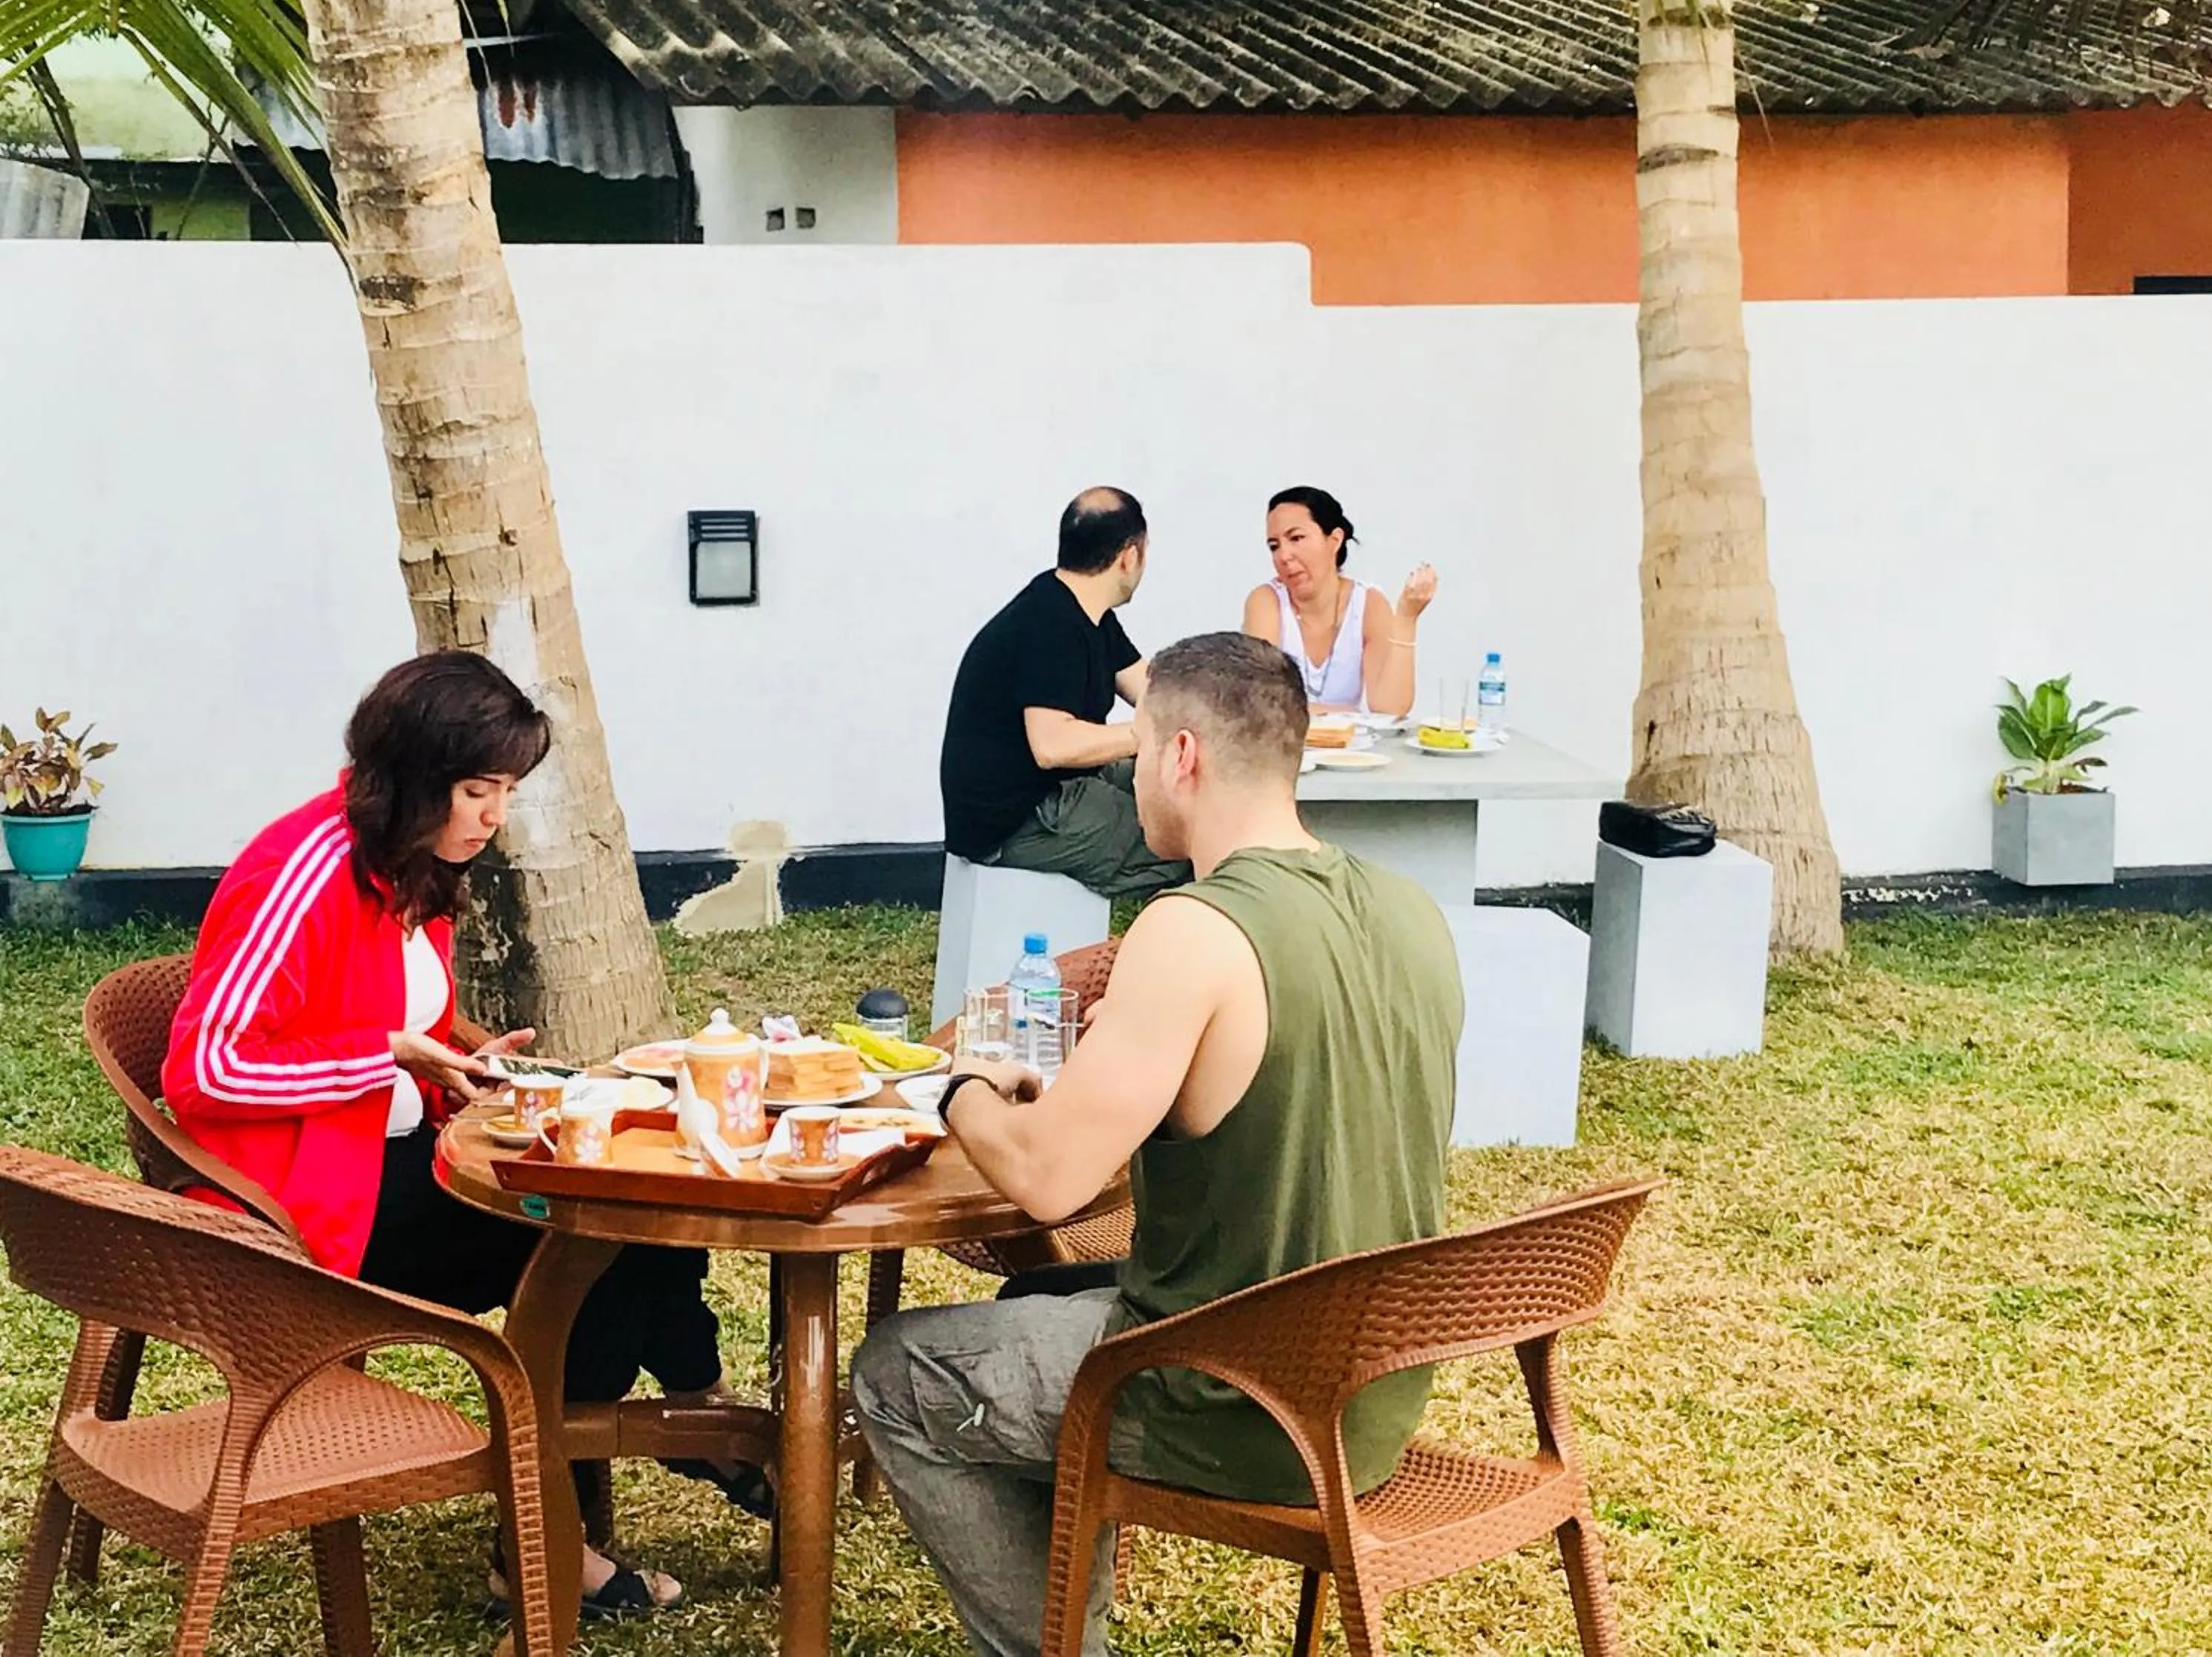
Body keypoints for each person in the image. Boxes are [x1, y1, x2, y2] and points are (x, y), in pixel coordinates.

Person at [854, 632, 1462, 1657]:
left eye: (1136, 749)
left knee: (896, 1374)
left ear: (1182, 755)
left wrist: (953, 1087)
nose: (1131, 771)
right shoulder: (1410, 911)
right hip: (1370, 1396)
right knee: (1029, 1307)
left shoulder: (1192, 929)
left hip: (1229, 1396)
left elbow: (1048, 1178)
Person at [160, 652, 769, 1618]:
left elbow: (388, 1019)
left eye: (505, 791)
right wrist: (392, 1054)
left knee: (648, 1193)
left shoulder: (406, 865)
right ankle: (558, 1533)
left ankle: (695, 1409)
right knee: (593, 1242)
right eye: (478, 790)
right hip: (302, 1207)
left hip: (384, 1159)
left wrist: (461, 1058)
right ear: (411, 780)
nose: (493, 815)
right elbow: (205, 1067)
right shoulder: (305, 868)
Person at [939, 486, 1189, 899]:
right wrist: (1148, 732)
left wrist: (1212, 721)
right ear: (1130, 556)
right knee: (1183, 838)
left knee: (1179, 782)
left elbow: (1154, 691)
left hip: (1057, 790)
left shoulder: (1086, 613)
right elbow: (1053, 745)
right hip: (1018, 819)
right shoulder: (1049, 626)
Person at [1241, 486, 1436, 717]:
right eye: (1274, 546)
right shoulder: (1266, 601)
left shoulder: (1368, 602)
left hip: (1349, 750)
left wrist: (1406, 619)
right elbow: (1261, 700)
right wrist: (1346, 712)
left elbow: (1389, 709)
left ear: (1334, 540)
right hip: (1281, 749)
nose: (1284, 556)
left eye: (1296, 538)